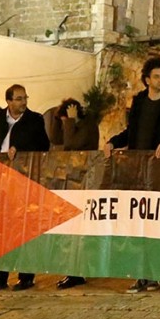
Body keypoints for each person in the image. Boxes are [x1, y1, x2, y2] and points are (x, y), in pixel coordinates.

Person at [105, 56, 160, 293]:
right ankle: (140, 274)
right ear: (147, 79)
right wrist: (113, 142)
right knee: (137, 223)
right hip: (137, 169)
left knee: (155, 224)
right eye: (157, 76)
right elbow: (131, 132)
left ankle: (154, 274)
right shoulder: (139, 101)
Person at [0, 84, 50, 293]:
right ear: (9, 101)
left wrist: (21, 150)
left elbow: (44, 146)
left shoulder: (35, 120)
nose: (24, 102)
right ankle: (0, 278)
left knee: (25, 230)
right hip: (1, 179)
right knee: (1, 230)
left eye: (25, 98)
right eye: (19, 99)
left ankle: (26, 277)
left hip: (24, 181)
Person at [53, 97, 101, 290]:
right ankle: (73, 272)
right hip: (72, 183)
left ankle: (78, 272)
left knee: (78, 231)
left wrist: (70, 122)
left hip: (84, 183)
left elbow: (71, 144)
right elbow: (56, 139)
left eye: (67, 119)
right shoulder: (72, 125)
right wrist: (61, 122)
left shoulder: (88, 125)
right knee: (69, 230)